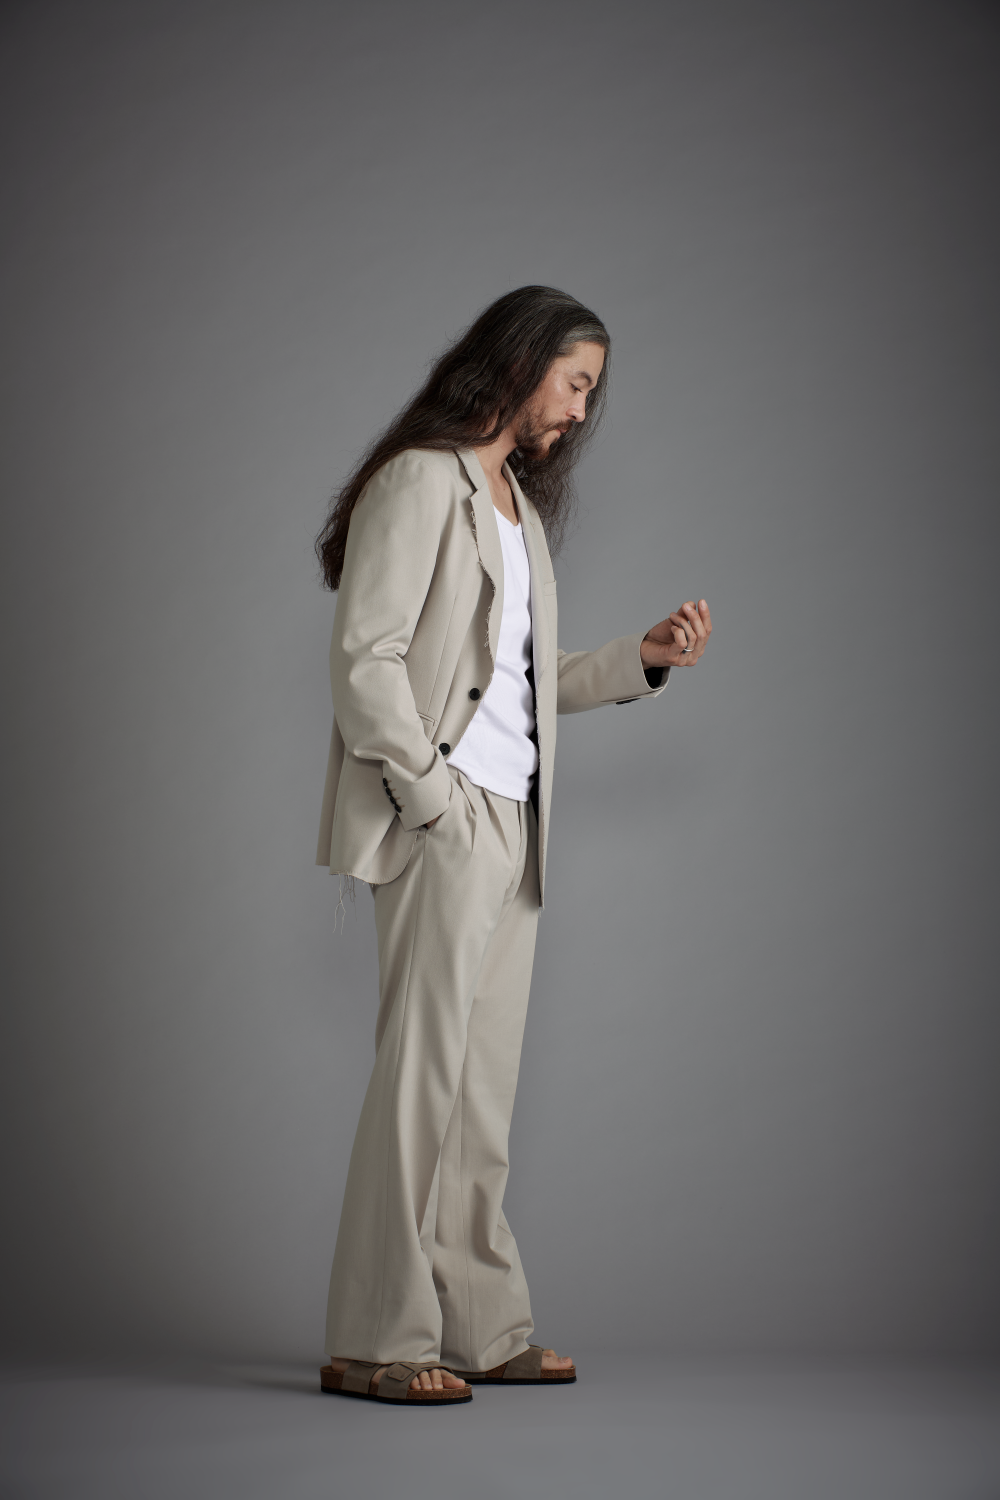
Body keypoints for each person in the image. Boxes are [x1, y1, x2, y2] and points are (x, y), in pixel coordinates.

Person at [313, 286, 712, 1405]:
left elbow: (529, 683)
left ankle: (482, 1329)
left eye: (589, 393)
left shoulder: (519, 513)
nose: (580, 411)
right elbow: (364, 659)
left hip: (517, 826)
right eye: (575, 384)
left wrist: (639, 659)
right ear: (523, 360)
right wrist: (430, 799)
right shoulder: (419, 482)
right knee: (420, 1085)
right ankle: (377, 1338)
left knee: (480, 1096)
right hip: (446, 819)